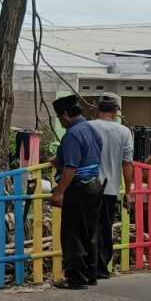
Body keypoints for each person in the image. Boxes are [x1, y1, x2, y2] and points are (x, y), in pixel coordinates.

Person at [49, 95, 104, 290]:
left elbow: (71, 168)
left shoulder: (72, 134)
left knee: (72, 233)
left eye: (59, 117)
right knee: (89, 232)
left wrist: (59, 192)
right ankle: (91, 274)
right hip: (95, 186)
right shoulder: (91, 129)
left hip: (78, 188)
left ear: (65, 115)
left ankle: (75, 277)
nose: (61, 122)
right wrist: (60, 159)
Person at [88, 93, 133, 281]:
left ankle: (89, 267)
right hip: (111, 188)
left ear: (97, 110)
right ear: (115, 112)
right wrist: (128, 192)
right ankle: (103, 267)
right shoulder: (124, 132)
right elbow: (127, 164)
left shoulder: (88, 127)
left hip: (89, 186)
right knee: (105, 228)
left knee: (88, 228)